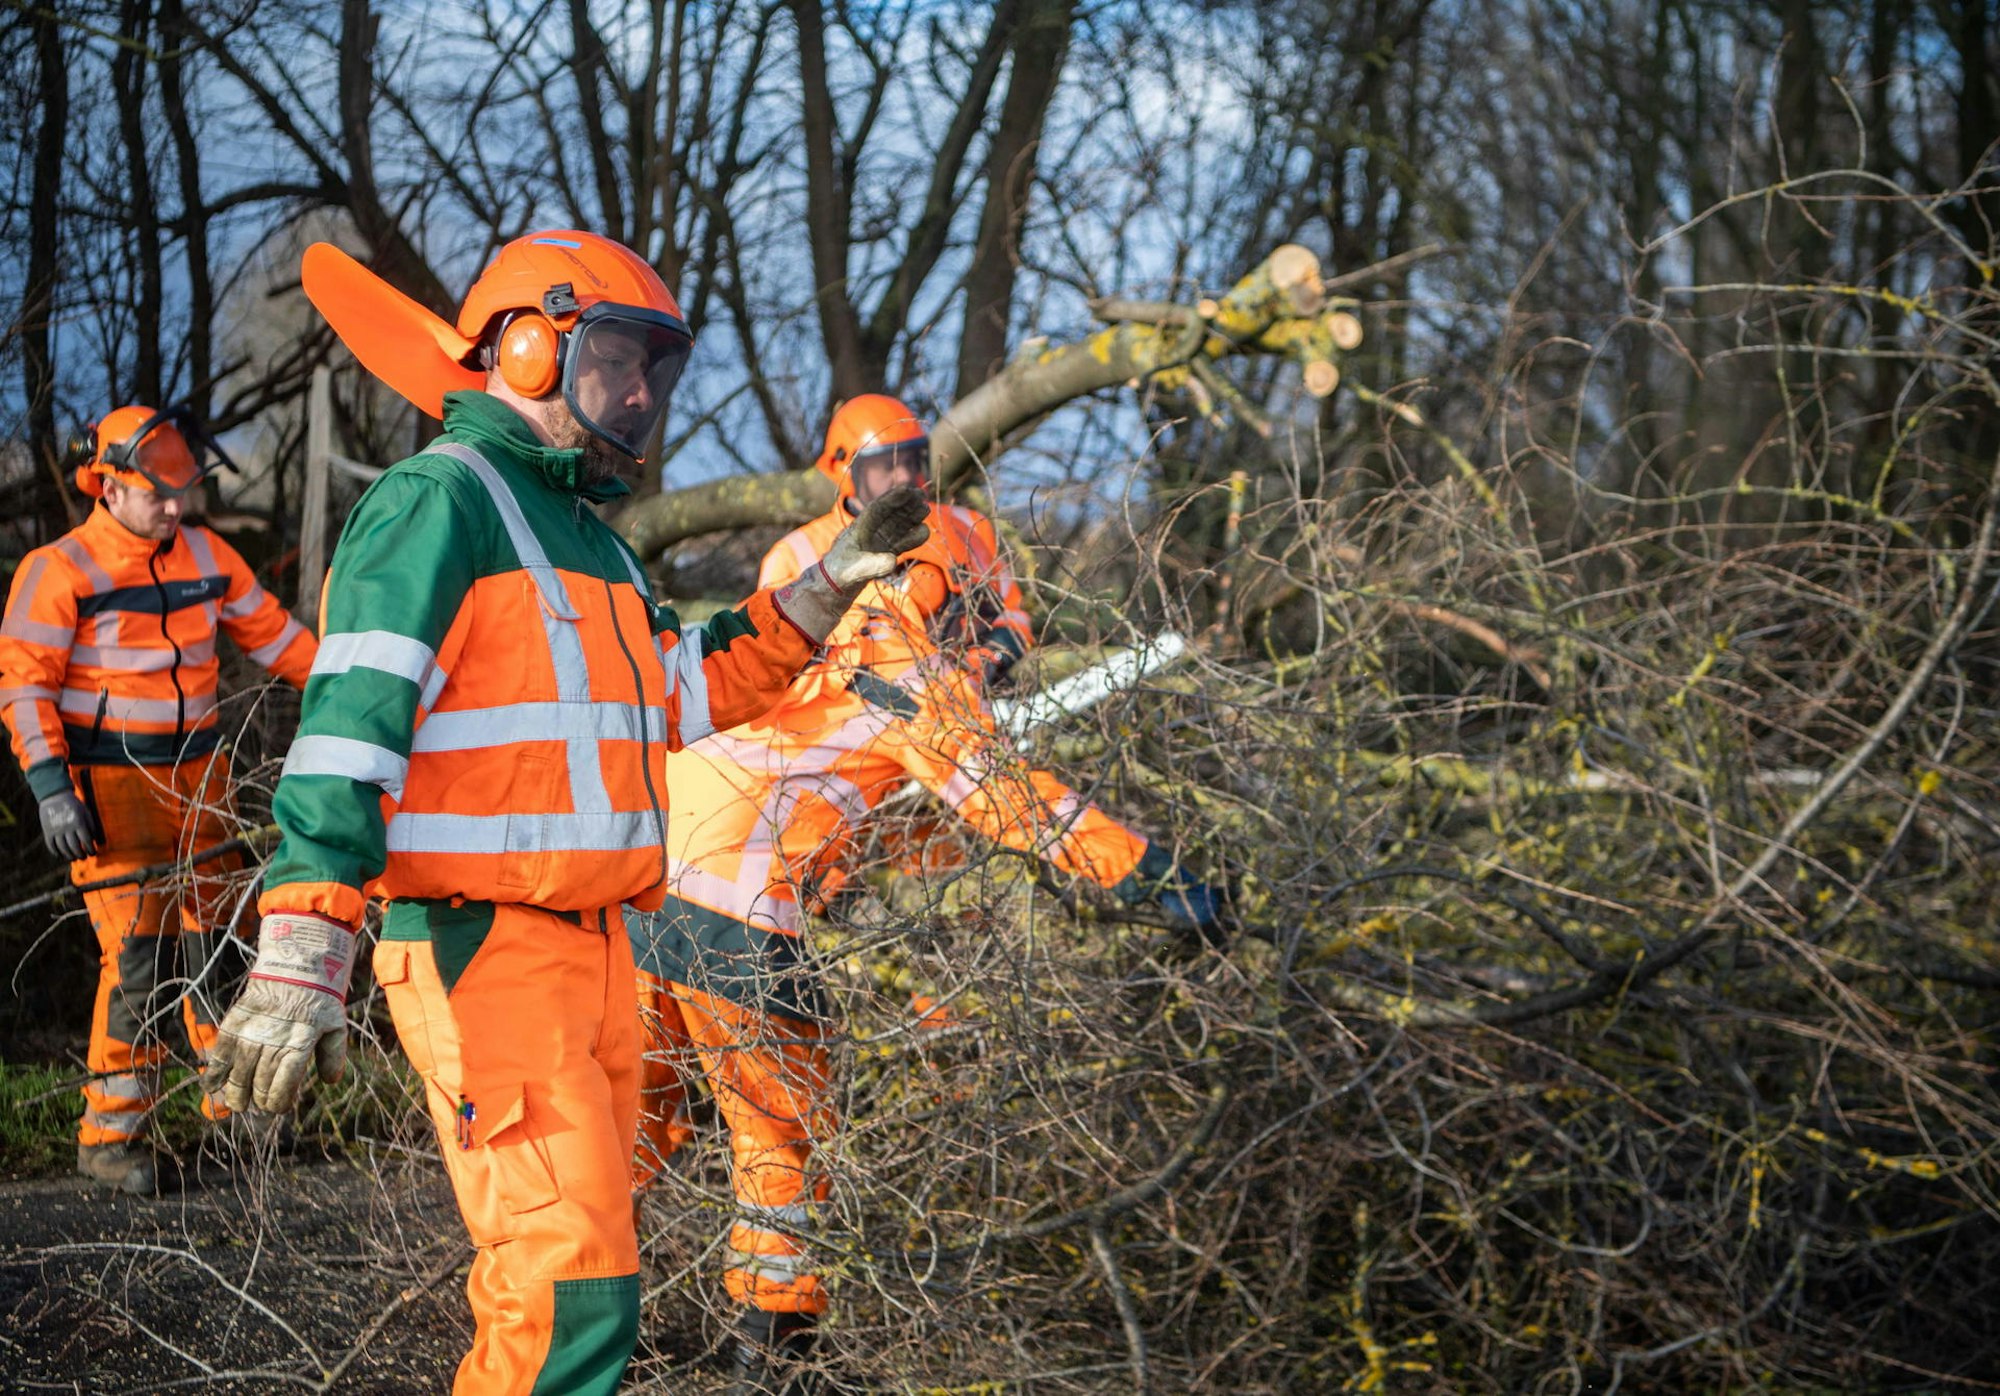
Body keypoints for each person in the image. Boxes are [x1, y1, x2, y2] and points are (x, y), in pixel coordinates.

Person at [201, 230, 929, 1396]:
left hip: (597, 949)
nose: (641, 392)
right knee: (566, 1292)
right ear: (529, 347)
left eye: (656, 368)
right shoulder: (441, 502)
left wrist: (826, 578)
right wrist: (301, 944)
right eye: (620, 359)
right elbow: (349, 729)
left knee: (578, 1279)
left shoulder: (586, 538)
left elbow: (680, 690)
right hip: (485, 946)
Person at [630, 393, 1223, 1394]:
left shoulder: (876, 609)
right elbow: (1009, 800)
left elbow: (814, 755)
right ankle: (771, 1361)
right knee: (783, 1134)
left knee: (645, 1106)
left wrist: (835, 859)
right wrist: (1153, 875)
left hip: (648, 873)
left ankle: (566, 1304)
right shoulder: (898, 660)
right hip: (730, 895)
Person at [0, 407, 316, 1195]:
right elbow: (25, 688)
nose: (175, 509)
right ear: (107, 484)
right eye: (158, 495)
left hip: (200, 775)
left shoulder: (208, 555)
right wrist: (50, 790)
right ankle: (110, 1138)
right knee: (140, 957)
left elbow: (278, 640)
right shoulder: (60, 568)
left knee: (223, 945)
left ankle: (238, 1109)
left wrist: (358, 690)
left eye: (184, 493)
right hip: (112, 784)